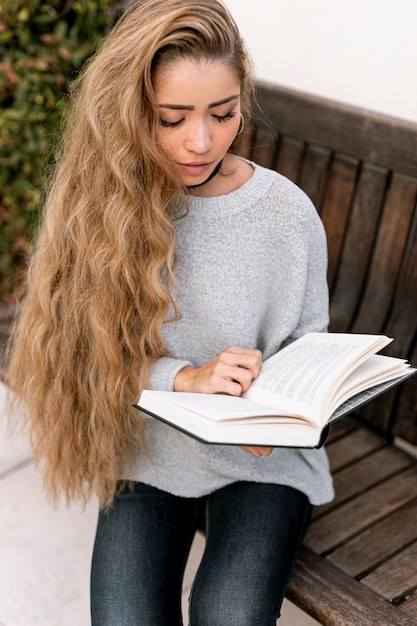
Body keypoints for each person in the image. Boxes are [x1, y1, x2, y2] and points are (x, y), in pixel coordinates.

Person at [7, 0, 334, 624]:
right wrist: (183, 378)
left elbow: (307, 345)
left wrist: (279, 415)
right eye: (171, 118)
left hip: (261, 461)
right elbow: (84, 354)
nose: (202, 141)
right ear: (131, 113)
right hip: (151, 448)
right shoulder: (104, 211)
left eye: (223, 113)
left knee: (229, 613)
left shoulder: (285, 215)